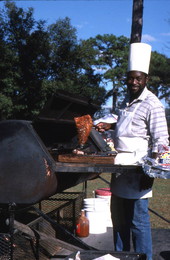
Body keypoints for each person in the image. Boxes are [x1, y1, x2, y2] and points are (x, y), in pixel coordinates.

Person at [109, 43, 169, 260]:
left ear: (146, 80)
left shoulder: (153, 103)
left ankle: (145, 258)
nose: (134, 82)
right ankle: (120, 256)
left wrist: (150, 174)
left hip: (139, 171)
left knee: (138, 221)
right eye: (130, 78)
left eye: (138, 78)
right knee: (119, 220)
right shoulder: (126, 100)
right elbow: (124, 128)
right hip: (119, 168)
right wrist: (110, 126)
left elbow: (162, 142)